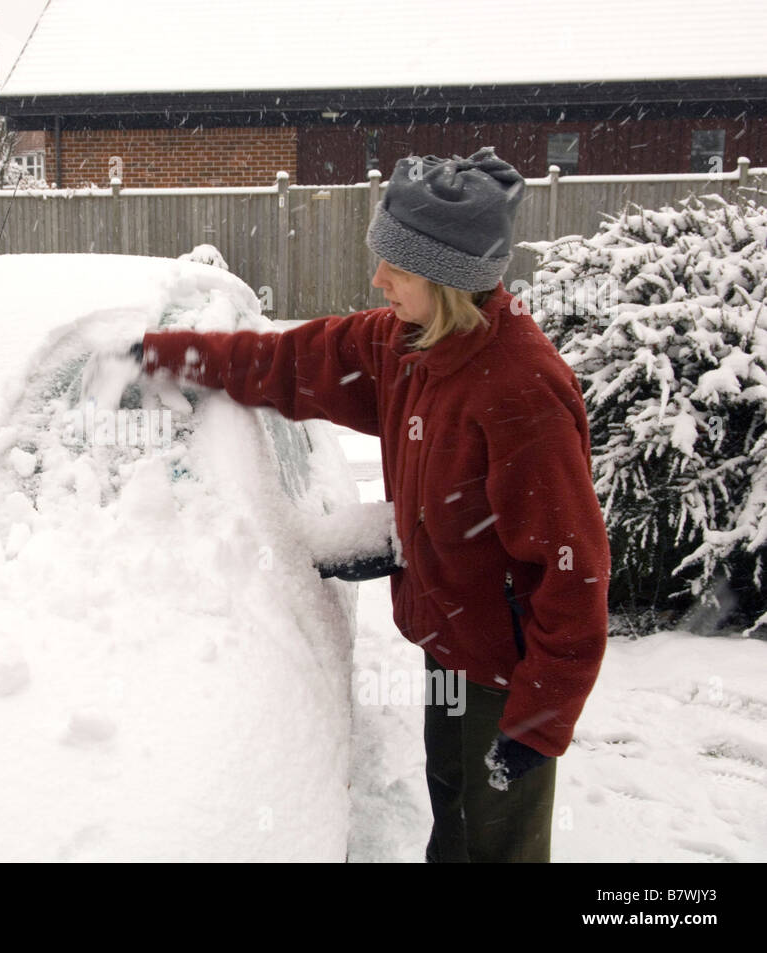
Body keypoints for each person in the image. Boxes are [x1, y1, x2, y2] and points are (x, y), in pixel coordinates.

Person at [131, 147, 610, 862]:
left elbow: (574, 571)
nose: (376, 278)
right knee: (453, 814)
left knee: (499, 845)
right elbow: (285, 364)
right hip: (449, 646)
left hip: (507, 673)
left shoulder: (519, 392)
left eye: (398, 268)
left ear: (450, 280)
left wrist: (537, 721)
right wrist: (169, 356)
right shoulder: (403, 343)